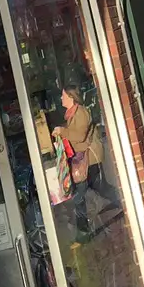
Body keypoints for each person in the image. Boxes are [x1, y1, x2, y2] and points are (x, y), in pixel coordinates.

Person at [53, 86, 118, 233]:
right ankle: (122, 201)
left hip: (88, 158)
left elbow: (80, 136)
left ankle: (83, 230)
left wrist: (62, 131)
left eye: (63, 96)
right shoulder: (72, 114)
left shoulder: (80, 113)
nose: (61, 98)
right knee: (99, 188)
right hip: (83, 159)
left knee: (80, 194)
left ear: (71, 97)